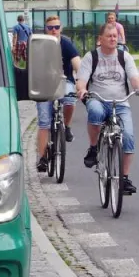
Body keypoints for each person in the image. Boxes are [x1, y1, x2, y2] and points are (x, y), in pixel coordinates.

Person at [76, 21, 139, 194]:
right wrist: (82, 90)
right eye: (109, 36)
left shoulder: (124, 57)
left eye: (115, 36)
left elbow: (134, 78)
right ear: (100, 39)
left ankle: (124, 178)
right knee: (95, 112)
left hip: (121, 102)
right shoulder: (91, 57)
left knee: (128, 136)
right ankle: (93, 148)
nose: (112, 39)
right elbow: (81, 81)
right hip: (98, 99)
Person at [35, 16, 81, 171]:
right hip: (44, 84)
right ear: (46, 30)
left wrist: (81, 81)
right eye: (50, 28)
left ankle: (66, 126)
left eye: (56, 27)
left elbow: (77, 64)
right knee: (44, 122)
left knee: (69, 99)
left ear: (61, 28)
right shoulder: (40, 45)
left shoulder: (66, 44)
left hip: (64, 81)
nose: (53, 30)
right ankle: (41, 158)